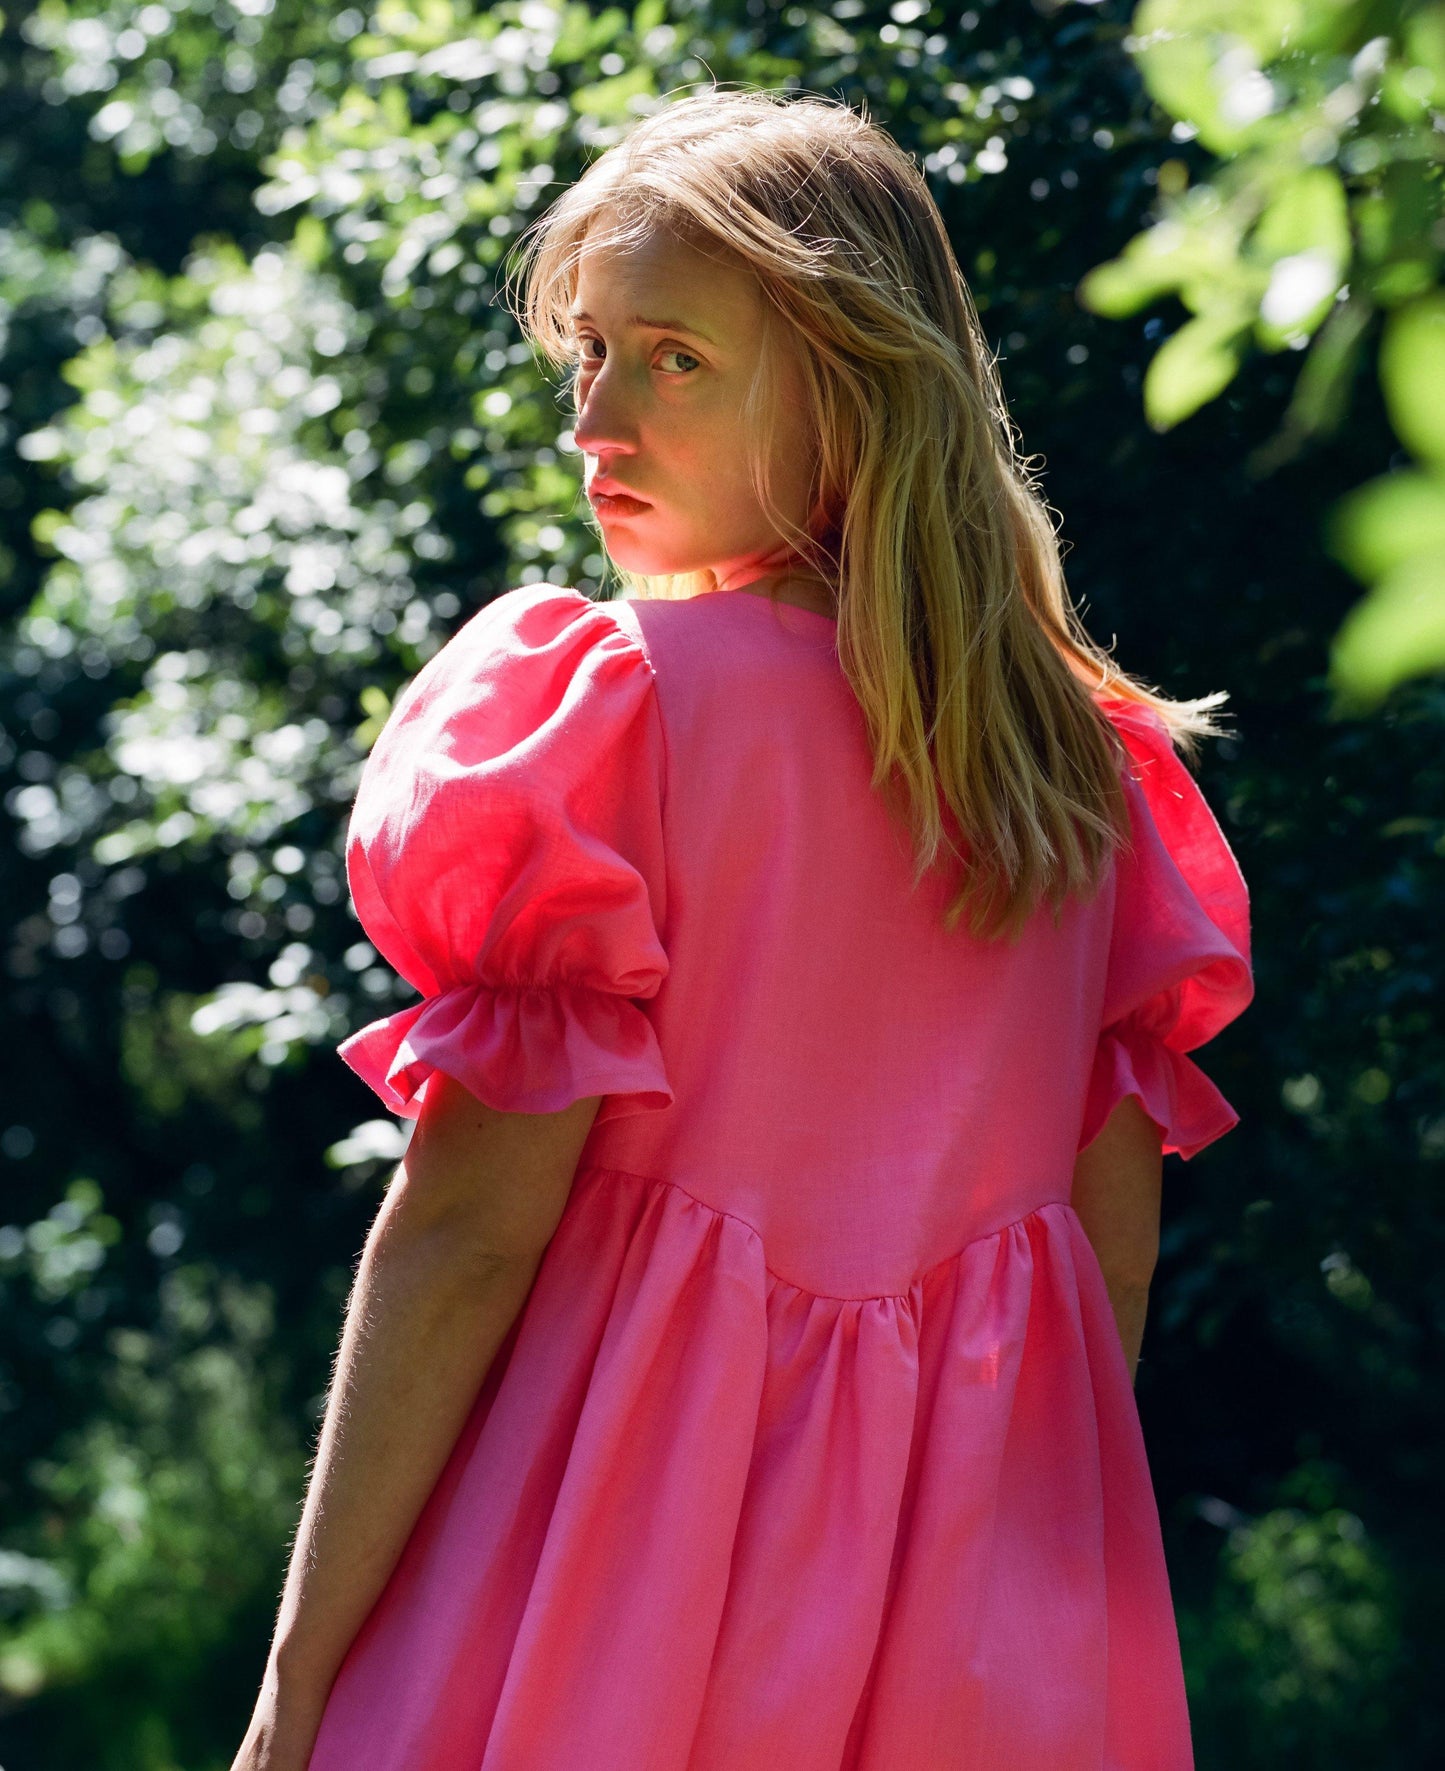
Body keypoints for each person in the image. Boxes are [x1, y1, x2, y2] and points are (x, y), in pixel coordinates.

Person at [234, 87, 1253, 1771]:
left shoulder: (616, 719)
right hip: (956, 1621)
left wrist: (294, 1682)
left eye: (672, 359)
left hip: (592, 1575)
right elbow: (1109, 1263)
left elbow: (465, 1238)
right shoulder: (1090, 789)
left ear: (852, 386)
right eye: (587, 357)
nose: (596, 423)